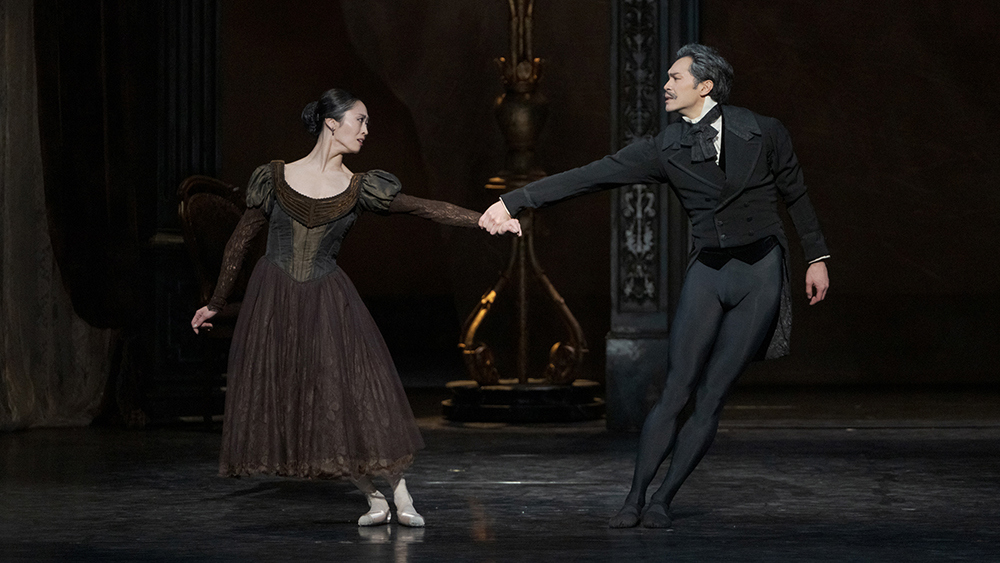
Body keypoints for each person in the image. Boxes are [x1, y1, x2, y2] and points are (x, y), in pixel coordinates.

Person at [480, 44, 830, 528]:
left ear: (704, 86)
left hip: (760, 272)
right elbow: (593, 176)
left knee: (711, 395)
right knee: (676, 389)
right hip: (708, 272)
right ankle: (635, 497)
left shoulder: (763, 130)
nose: (665, 85)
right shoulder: (664, 148)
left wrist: (816, 257)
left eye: (675, 77)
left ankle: (665, 498)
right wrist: (514, 201)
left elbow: (796, 192)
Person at [191, 88, 520, 527]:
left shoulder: (360, 186)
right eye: (359, 121)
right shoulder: (274, 177)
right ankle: (373, 498)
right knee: (306, 401)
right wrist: (215, 303)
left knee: (352, 395)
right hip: (275, 299)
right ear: (332, 123)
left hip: (328, 298)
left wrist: (482, 218)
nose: (365, 130)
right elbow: (242, 239)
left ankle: (400, 495)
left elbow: (422, 207)